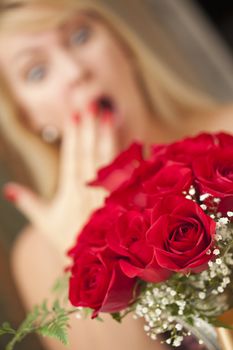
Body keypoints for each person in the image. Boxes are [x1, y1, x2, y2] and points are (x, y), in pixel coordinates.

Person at [0, 0, 232, 349]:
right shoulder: (38, 253)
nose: (76, 71)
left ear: (123, 47)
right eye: (37, 72)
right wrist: (86, 255)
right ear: (29, 118)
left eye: (80, 35)